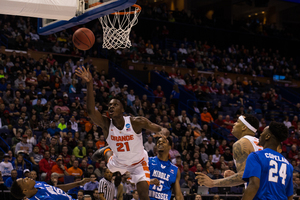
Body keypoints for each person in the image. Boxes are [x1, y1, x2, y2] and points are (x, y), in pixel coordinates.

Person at [76, 66, 169, 200]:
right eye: (110, 105)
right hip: (118, 162)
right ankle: (106, 150)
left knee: (143, 195)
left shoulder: (136, 122)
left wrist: (163, 132)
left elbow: (160, 128)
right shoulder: (107, 124)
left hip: (139, 162)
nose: (111, 107)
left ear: (123, 109)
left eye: (115, 105)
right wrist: (90, 83)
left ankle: (108, 149)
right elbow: (91, 112)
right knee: (109, 157)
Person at [196, 114, 263, 187]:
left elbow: (243, 176)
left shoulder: (241, 143)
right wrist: (234, 176)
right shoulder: (261, 144)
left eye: (237, 122)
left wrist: (212, 183)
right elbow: (254, 175)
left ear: (244, 127)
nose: (234, 123)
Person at [242, 122, 293, 200]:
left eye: (262, 132)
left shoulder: (256, 156)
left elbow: (254, 185)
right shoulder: (288, 165)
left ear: (267, 136)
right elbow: (289, 196)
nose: (260, 134)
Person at [10, 177, 95, 200]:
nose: (27, 178)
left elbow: (55, 188)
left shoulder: (38, 184)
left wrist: (79, 183)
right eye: (24, 181)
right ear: (25, 190)